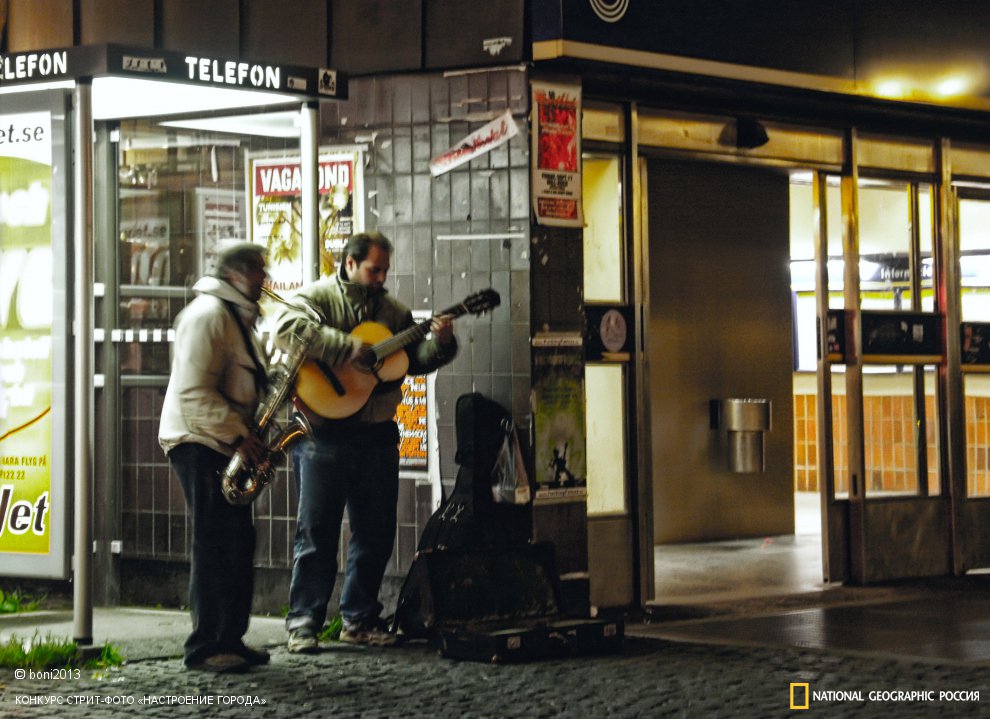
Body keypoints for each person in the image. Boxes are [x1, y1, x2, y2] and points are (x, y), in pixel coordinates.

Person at [273, 231, 457, 653]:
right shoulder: (318, 297)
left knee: (375, 531)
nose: (381, 278)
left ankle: (358, 618)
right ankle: (303, 622)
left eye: (385, 271)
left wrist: (442, 344)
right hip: (323, 431)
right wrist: (344, 347)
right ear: (350, 263)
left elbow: (413, 362)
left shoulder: (394, 312)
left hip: (376, 433)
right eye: (374, 270)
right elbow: (285, 328)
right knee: (316, 531)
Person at [158, 243, 271, 673]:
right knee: (214, 542)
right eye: (258, 270)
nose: (264, 279)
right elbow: (192, 392)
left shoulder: (234, 318)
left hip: (222, 440)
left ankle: (229, 638)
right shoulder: (208, 316)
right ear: (235, 275)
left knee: (237, 541)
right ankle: (205, 646)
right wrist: (241, 434)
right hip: (199, 440)